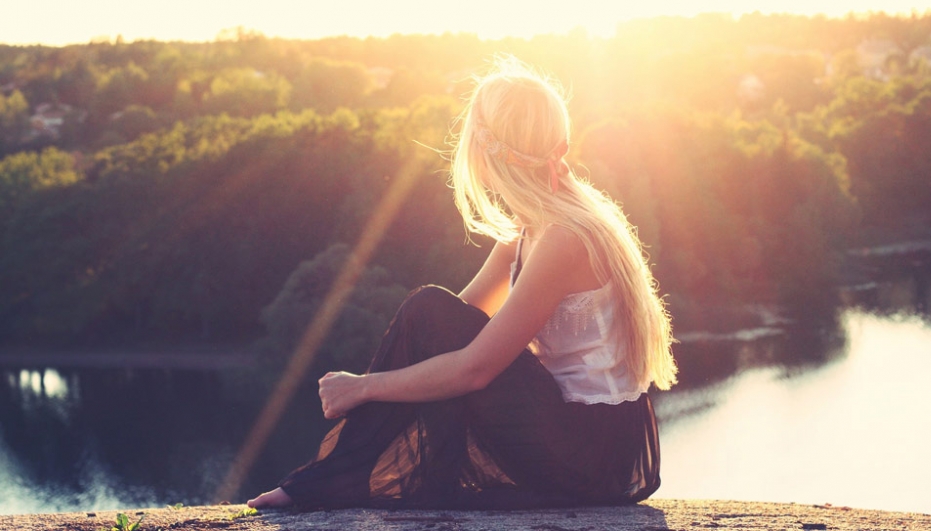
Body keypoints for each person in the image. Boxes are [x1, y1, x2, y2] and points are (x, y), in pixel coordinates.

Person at [248, 56, 678, 510]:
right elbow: (443, 328)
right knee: (428, 308)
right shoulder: (533, 226)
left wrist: (364, 388)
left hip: (591, 456)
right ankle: (337, 478)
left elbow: (476, 367)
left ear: (485, 148)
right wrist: (378, 381)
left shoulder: (562, 238)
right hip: (583, 439)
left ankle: (332, 480)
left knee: (430, 313)